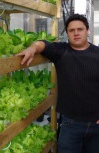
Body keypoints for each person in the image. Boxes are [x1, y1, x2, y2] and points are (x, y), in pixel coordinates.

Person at [16, 13, 99, 153]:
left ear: (88, 31)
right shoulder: (62, 51)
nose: (76, 33)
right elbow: (42, 43)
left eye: (80, 29)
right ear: (67, 33)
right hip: (70, 124)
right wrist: (31, 49)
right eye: (71, 30)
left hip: (96, 125)